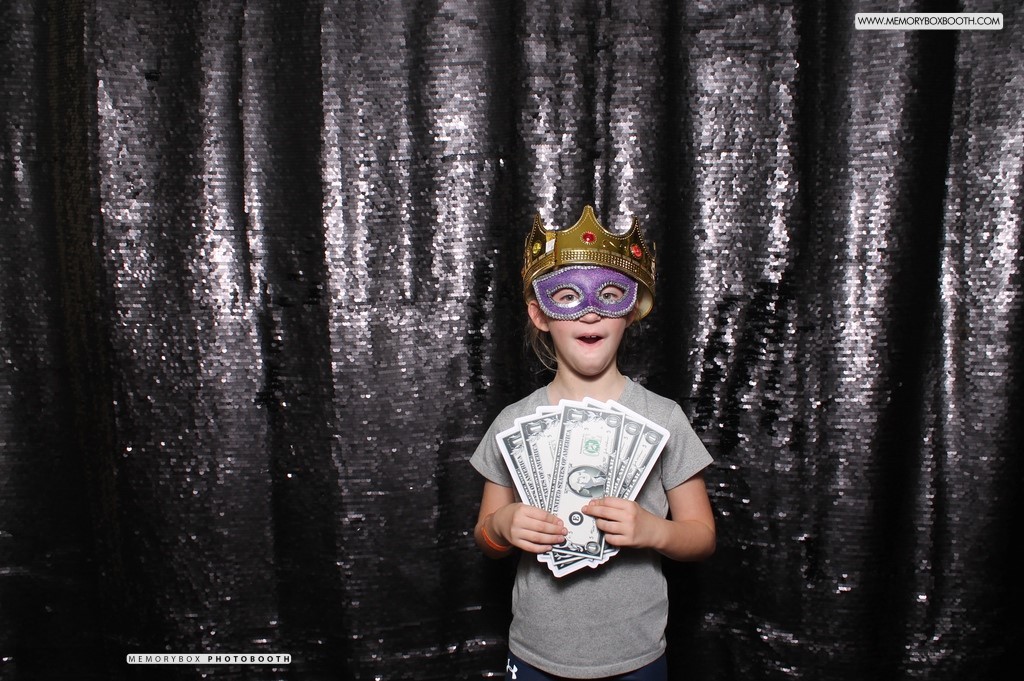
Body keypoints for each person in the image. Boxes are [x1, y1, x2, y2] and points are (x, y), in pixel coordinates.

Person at [471, 205, 717, 680]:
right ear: (540, 314)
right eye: (567, 296)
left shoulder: (663, 418)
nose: (589, 310)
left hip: (636, 656)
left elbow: (702, 537)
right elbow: (485, 538)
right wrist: (501, 526)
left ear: (631, 310)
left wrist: (654, 531)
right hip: (535, 654)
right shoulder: (512, 423)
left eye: (609, 294)